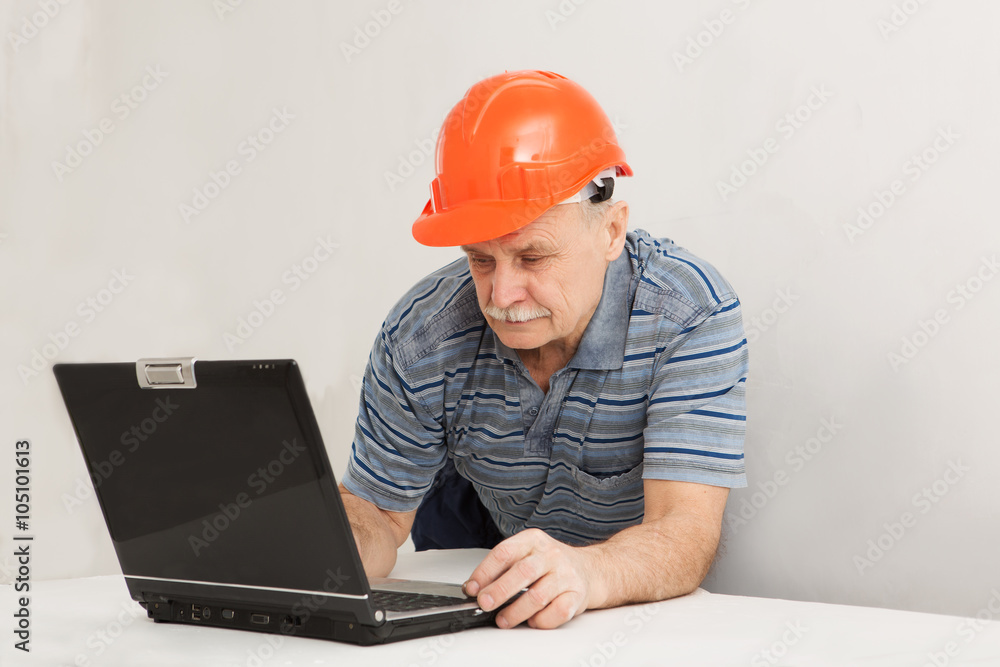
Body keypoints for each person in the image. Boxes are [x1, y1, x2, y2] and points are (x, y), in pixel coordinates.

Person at [340, 70, 748, 630]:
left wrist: (586, 572)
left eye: (532, 258)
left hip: (624, 592)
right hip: (476, 549)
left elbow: (685, 532)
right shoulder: (421, 338)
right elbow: (379, 515)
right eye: (480, 259)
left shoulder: (686, 316)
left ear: (611, 231)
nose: (501, 296)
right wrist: (317, 545)